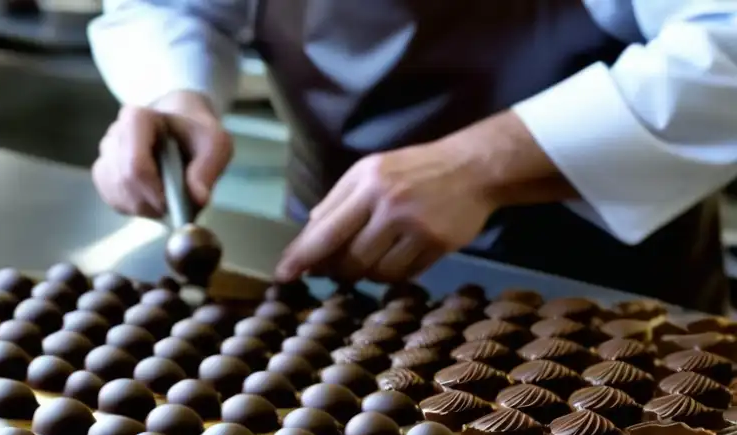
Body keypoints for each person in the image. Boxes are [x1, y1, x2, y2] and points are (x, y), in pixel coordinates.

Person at [87, 1, 737, 313]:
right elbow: (174, 7)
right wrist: (174, 91)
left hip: (608, 302)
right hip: (329, 281)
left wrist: (481, 163)